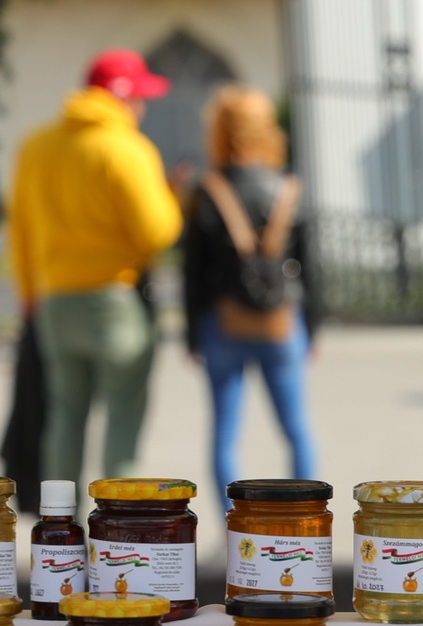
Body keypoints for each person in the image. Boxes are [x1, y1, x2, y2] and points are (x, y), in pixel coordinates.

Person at [5, 49, 183, 486]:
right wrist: (172, 199)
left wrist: (28, 297)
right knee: (123, 419)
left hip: (54, 301)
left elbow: (19, 233)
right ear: (123, 98)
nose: (141, 108)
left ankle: (60, 523)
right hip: (116, 302)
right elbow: (156, 233)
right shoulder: (126, 148)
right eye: (139, 98)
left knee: (65, 417)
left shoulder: (36, 147)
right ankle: (119, 523)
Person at [180, 86, 321, 494]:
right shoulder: (289, 189)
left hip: (223, 323)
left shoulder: (208, 191)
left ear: (220, 131)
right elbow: (312, 272)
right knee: (296, 429)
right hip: (281, 323)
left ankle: (233, 524)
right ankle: (304, 517)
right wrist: (312, 330)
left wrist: (192, 336)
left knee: (225, 437)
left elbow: (193, 272)